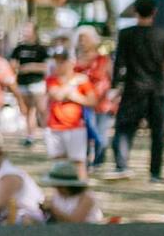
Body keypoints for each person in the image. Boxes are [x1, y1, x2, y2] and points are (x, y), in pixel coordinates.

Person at [106, 0, 164, 183]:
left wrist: (114, 85)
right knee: (158, 133)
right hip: (159, 90)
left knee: (124, 128)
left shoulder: (126, 34)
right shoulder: (163, 34)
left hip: (134, 88)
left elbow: (119, 63)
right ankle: (155, 173)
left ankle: (121, 165)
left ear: (135, 12)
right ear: (154, 12)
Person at [43, 44, 95, 177]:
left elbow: (92, 101)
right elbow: (57, 95)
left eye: (62, 61)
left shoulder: (83, 80)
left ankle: (81, 185)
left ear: (71, 62)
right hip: (55, 127)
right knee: (59, 163)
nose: (59, 65)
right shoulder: (52, 79)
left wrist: (76, 97)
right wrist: (72, 84)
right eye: (57, 61)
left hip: (76, 127)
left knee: (78, 162)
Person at [75, 25, 112, 168]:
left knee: (100, 133)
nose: (82, 42)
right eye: (80, 39)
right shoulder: (76, 61)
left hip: (101, 102)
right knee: (83, 133)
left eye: (85, 39)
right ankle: (84, 161)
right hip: (82, 102)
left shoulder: (103, 59)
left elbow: (111, 78)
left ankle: (99, 161)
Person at [8, 21, 49, 144]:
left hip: (37, 82)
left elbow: (46, 66)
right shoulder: (18, 49)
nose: (26, 32)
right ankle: (30, 135)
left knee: (42, 109)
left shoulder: (41, 49)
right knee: (28, 110)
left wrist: (30, 67)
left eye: (28, 29)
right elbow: (13, 65)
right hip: (22, 83)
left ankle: (48, 133)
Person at [41, 161, 105, 224]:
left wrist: (53, 209)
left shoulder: (87, 197)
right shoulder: (57, 194)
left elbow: (75, 222)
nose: (56, 188)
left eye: (59, 186)